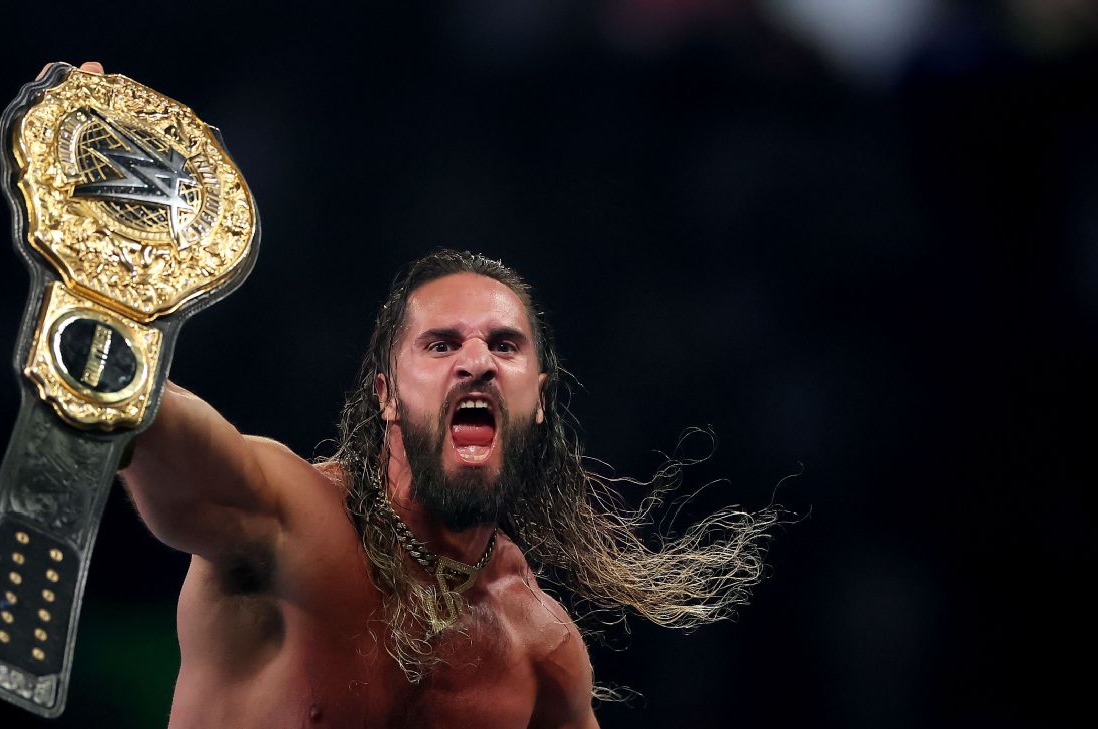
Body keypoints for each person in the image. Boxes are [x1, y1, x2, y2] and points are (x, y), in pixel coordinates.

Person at [118, 245, 777, 728]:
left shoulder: (540, 648)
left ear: (539, 400)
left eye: (505, 345)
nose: (478, 361)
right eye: (441, 345)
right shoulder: (289, 522)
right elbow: (178, 443)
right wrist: (112, 355)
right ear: (387, 395)